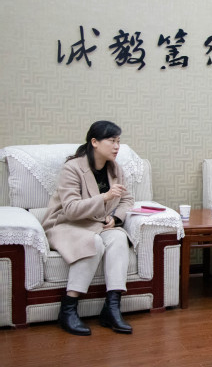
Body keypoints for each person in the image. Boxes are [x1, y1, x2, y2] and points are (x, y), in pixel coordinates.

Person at [42, 121, 134, 336]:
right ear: (94, 142)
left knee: (118, 238)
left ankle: (112, 308)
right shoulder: (72, 168)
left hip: (96, 224)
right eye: (111, 141)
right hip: (65, 224)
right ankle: (68, 309)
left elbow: (127, 200)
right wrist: (105, 197)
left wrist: (116, 218)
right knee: (93, 242)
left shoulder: (115, 169)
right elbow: (71, 209)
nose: (117, 146)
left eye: (118, 141)